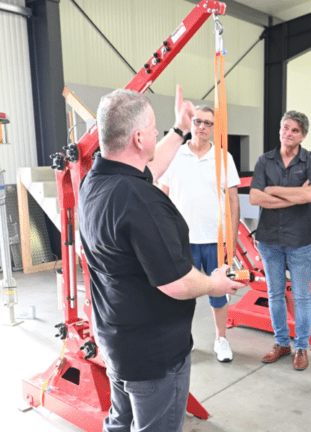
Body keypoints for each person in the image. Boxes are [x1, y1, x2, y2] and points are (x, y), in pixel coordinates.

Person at [79, 86, 244, 432]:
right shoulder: (142, 202)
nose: (158, 133)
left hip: (117, 340)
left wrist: (178, 129)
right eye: (154, 128)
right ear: (139, 138)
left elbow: (150, 168)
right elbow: (178, 282)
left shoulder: (97, 181)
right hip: (153, 355)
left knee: (119, 423)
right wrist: (214, 283)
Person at [158, 105, 241, 363]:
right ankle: (184, 338)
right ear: (191, 124)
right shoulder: (174, 155)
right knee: (184, 292)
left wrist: (233, 239)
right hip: (183, 241)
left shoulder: (223, 158)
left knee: (218, 292)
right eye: (197, 121)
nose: (201, 126)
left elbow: (233, 202)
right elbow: (162, 197)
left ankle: (221, 339)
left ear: (214, 128)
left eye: (207, 122)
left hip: (215, 240)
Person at [249, 110, 311, 371]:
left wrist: (274, 191)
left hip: (299, 240)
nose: (287, 133)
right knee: (274, 294)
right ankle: (281, 343)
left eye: (294, 130)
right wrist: (295, 194)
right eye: (285, 127)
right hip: (269, 239)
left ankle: (301, 347)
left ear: (303, 135)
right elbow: (255, 198)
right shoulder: (264, 161)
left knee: (302, 296)